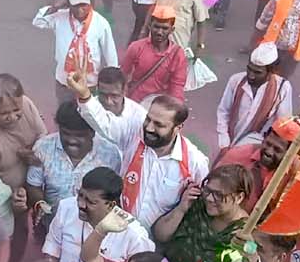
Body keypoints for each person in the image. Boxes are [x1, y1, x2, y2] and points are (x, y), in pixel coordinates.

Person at [73, 75, 209, 227]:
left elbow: (200, 205)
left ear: (178, 128)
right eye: (148, 119)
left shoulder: (194, 163)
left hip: (160, 239)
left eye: (159, 125)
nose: (149, 128)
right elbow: (105, 124)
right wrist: (85, 96)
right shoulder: (134, 135)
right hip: (120, 229)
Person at [25, 101, 122, 222]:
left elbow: (113, 194)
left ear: (92, 132)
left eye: (79, 136)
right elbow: (33, 185)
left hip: (93, 226)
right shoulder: (42, 147)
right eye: (66, 134)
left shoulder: (110, 154)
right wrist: (40, 204)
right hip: (53, 223)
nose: (71, 141)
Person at [154, 162, 253, 262]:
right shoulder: (197, 203)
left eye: (219, 195)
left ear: (239, 197)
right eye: (208, 190)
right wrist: (181, 209)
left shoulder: (243, 234)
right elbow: (160, 235)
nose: (209, 198)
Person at [0, 72, 48, 194]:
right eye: (4, 113)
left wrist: (34, 151)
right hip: (5, 195)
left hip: (38, 183)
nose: (12, 117)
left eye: (17, 110)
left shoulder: (26, 103)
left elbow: (43, 136)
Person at [40, 0, 118, 102]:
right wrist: (56, 7)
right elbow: (39, 21)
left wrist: (112, 80)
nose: (80, 9)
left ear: (90, 4)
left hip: (89, 83)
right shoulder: (60, 17)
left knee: (87, 112)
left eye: (83, 5)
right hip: (65, 81)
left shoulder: (100, 23)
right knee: (64, 111)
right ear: (69, 5)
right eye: (76, 5)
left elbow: (110, 53)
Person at [217, 43, 294, 152]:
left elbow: (282, 123)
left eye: (258, 72)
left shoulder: (282, 88)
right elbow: (223, 111)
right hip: (228, 144)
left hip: (258, 149)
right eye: (249, 69)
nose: (251, 75)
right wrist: (224, 142)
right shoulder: (236, 80)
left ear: (271, 71)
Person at [215, 116, 300, 210]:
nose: (269, 152)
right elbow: (214, 184)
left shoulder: (298, 170)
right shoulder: (239, 155)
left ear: (290, 153)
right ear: (264, 138)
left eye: (277, 150)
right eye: (268, 144)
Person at [121, 4, 188, 104]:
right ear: (150, 26)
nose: (159, 32)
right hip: (135, 103)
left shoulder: (178, 54)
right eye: (156, 27)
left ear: (172, 30)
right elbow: (123, 76)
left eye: (165, 28)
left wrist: (175, 108)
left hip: (160, 106)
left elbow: (177, 86)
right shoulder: (136, 47)